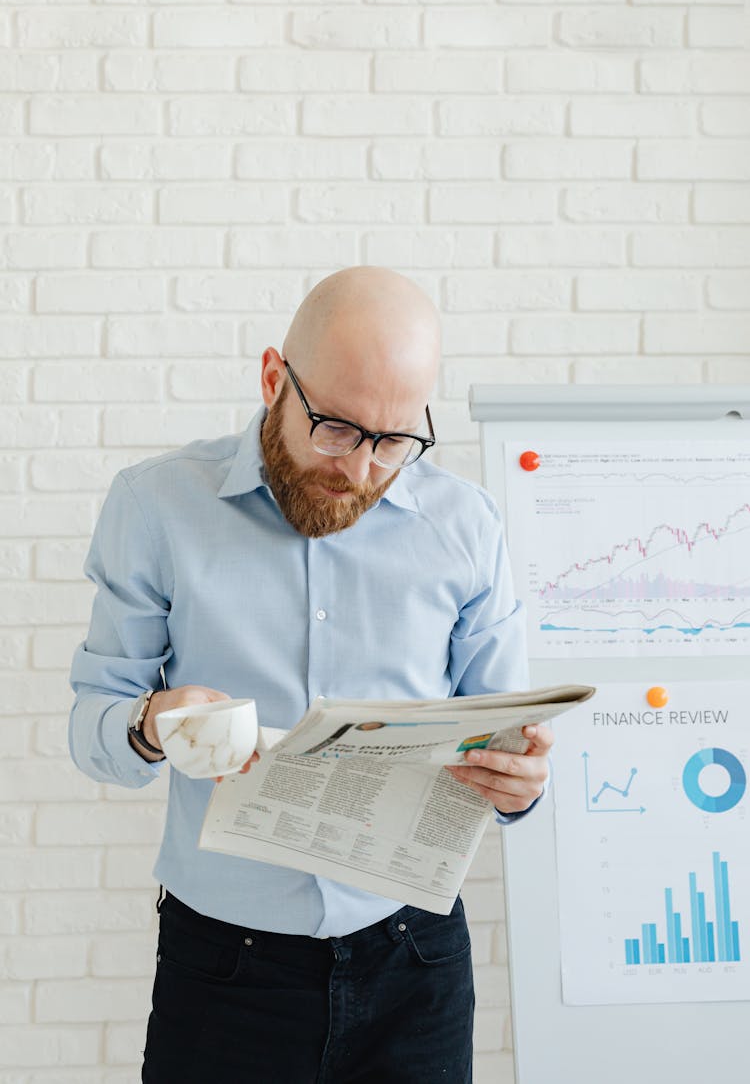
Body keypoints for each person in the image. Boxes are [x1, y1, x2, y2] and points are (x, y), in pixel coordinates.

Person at [69, 266, 552, 1084]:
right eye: (336, 428)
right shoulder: (156, 507)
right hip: (226, 974)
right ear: (273, 378)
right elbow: (94, 724)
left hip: (416, 965)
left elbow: (505, 732)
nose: (361, 469)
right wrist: (153, 720)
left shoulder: (466, 526)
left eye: (395, 442)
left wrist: (522, 780)